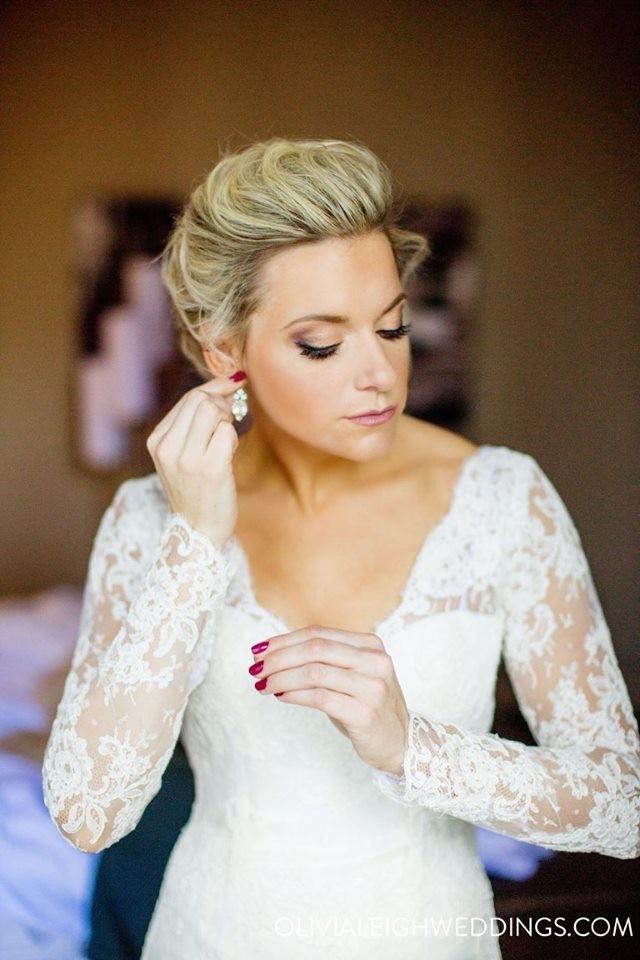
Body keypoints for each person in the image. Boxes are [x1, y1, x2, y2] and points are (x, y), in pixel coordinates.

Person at [42, 137, 640, 959]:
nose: (381, 375)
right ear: (226, 353)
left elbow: (621, 805)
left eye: (393, 327)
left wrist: (411, 747)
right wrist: (197, 539)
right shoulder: (148, 521)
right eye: (322, 344)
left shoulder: (504, 499)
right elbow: (88, 813)